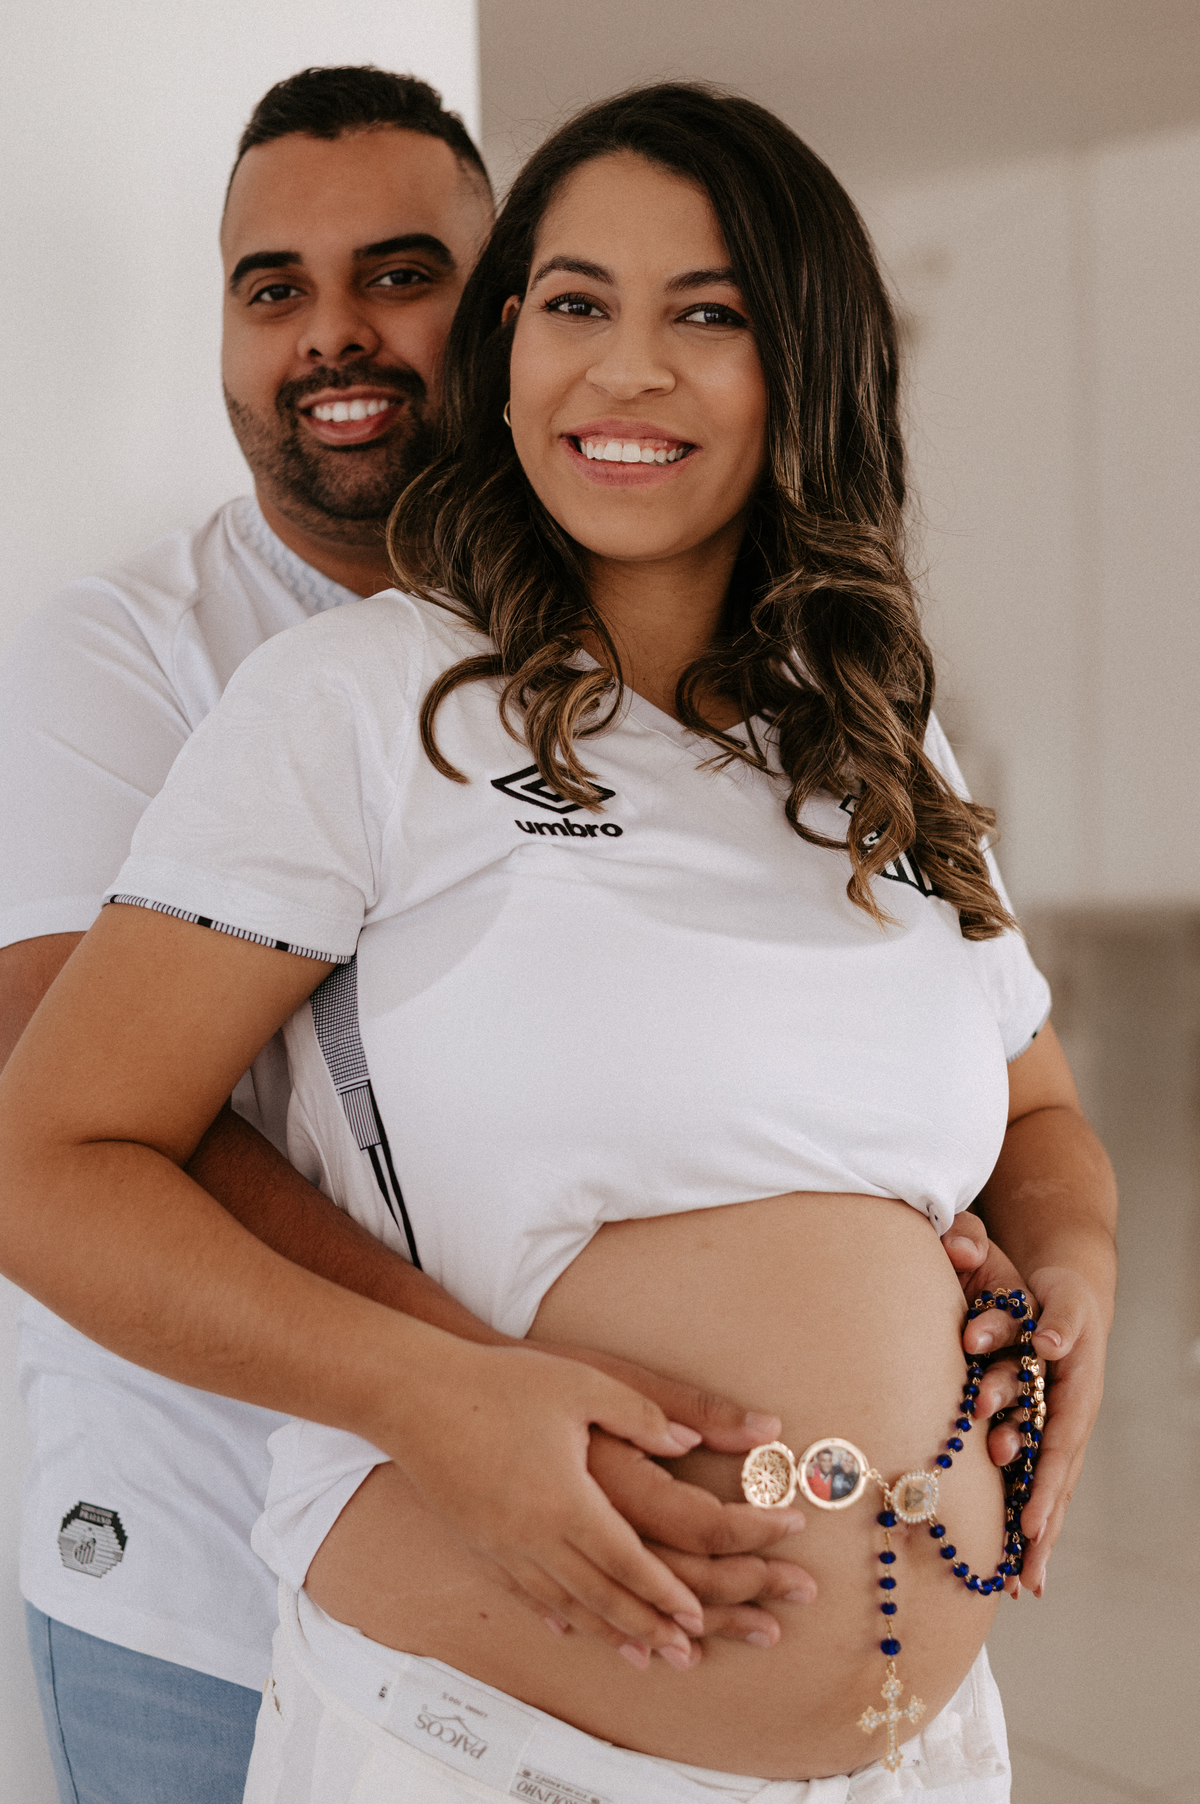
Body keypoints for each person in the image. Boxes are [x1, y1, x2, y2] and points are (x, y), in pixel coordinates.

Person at [0, 82, 1117, 1802]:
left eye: (707, 315)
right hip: (486, 1741)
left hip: (909, 1761)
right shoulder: (360, 702)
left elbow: (1037, 1112)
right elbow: (48, 1158)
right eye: (578, 304)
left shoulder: (878, 735)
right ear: (511, 348)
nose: (626, 370)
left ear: (807, 365)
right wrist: (435, 1396)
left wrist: (1073, 1270)